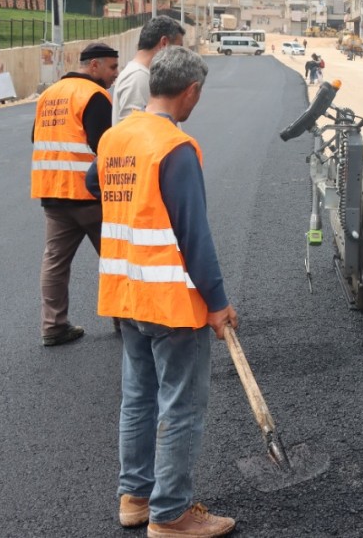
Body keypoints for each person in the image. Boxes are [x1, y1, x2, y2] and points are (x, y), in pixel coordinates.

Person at [90, 47, 238, 536]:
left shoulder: (117, 137)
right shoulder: (175, 147)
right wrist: (217, 303)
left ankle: (134, 497)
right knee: (181, 404)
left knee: (138, 397)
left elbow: (95, 182)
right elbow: (196, 236)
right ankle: (171, 513)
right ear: (191, 91)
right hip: (170, 302)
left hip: (125, 292)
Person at [30, 41, 120, 346]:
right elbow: (103, 146)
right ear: (93, 66)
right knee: (115, 257)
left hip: (53, 194)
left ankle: (53, 326)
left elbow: (36, 137)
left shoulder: (49, 94)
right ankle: (127, 321)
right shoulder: (94, 96)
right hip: (89, 195)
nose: (115, 75)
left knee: (54, 262)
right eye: (112, 67)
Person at [113, 17, 187, 125]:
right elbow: (132, 133)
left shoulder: (144, 76)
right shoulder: (137, 78)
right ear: (164, 43)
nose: (180, 55)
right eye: (178, 48)